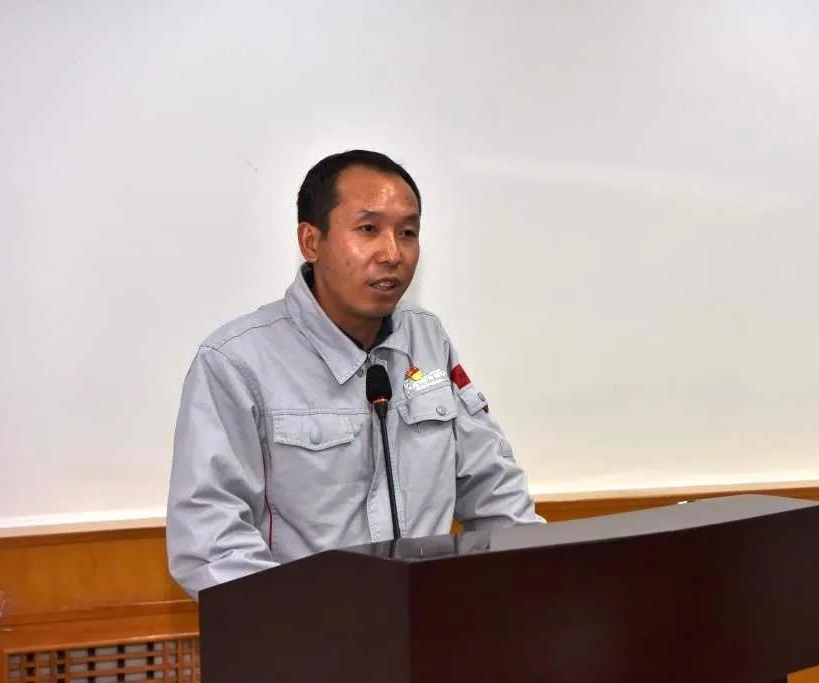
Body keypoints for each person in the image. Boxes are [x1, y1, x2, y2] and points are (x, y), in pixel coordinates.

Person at [166, 150, 543, 599]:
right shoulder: (236, 362)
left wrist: (542, 582)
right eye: (368, 229)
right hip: (303, 631)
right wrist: (319, 624)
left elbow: (493, 489)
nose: (392, 253)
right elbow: (211, 545)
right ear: (311, 241)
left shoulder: (427, 340)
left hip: (428, 623)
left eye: (407, 233)